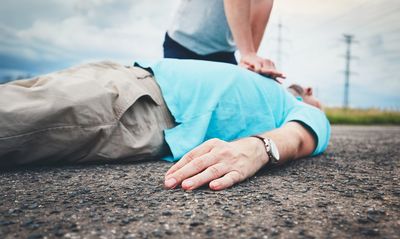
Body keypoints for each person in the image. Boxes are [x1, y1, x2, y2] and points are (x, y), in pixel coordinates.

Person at [0, 59, 330, 191]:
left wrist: (257, 149)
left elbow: (298, 136)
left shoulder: (301, 109)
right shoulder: (270, 85)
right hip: (127, 72)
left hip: (143, 108)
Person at [164, 0, 284, 81]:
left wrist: (250, 62)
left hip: (223, 52)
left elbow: (261, 2)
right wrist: (248, 53)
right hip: (183, 44)